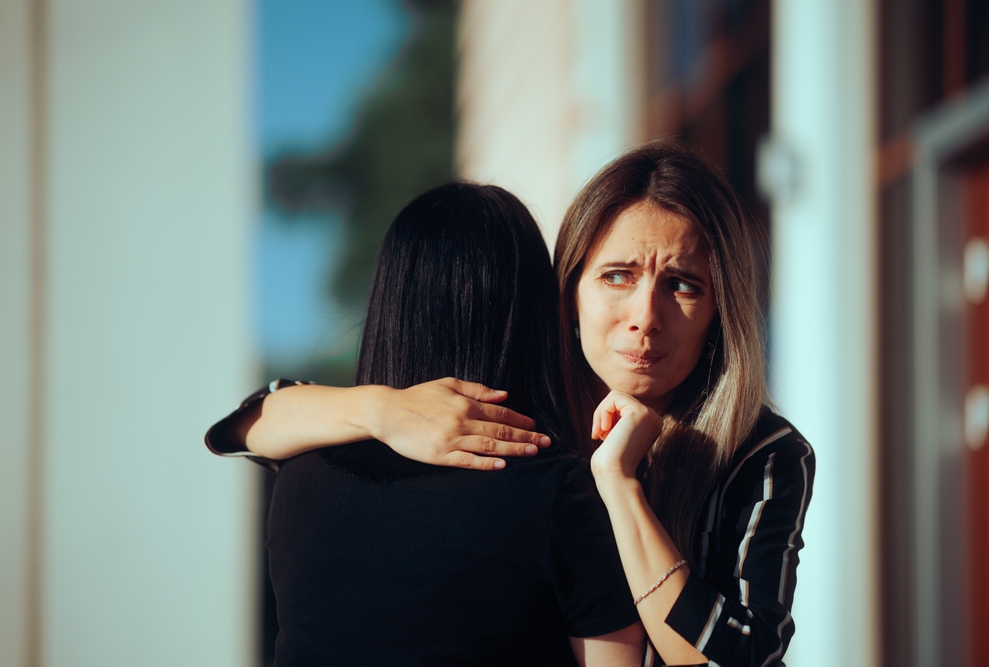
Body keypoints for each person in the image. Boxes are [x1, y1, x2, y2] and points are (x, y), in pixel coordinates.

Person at [208, 143, 815, 666]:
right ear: (569, 288)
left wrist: (619, 485)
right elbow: (245, 426)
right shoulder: (518, 412)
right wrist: (381, 410)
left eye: (683, 284)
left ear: (721, 309)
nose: (644, 319)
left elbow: (734, 655)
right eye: (617, 276)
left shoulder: (762, 451)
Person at [220, 182, 645, 666]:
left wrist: (378, 409)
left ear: (389, 305)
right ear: (531, 313)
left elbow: (244, 426)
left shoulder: (300, 479)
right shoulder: (556, 492)